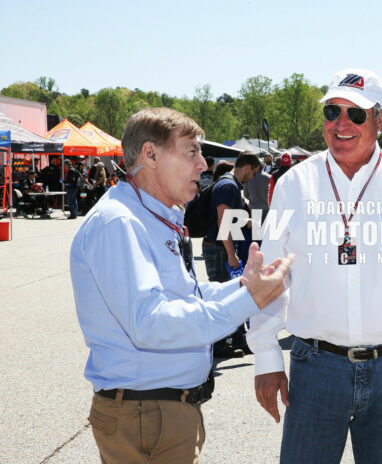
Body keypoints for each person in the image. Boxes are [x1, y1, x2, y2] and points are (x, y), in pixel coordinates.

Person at [249, 68, 382, 464]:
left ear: (380, 119)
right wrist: (266, 357)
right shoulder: (293, 184)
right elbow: (271, 278)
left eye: (356, 114)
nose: (342, 124)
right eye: (332, 111)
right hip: (315, 368)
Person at [70, 107, 292, 464]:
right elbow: (150, 323)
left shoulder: (149, 216)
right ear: (151, 155)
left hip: (159, 411)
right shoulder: (120, 223)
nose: (202, 164)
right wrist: (248, 300)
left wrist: (245, 288)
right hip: (146, 413)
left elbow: (183, 298)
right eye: (191, 151)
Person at [204, 154, 262, 357]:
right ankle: (219, 345)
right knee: (223, 298)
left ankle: (239, 339)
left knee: (235, 295)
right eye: (253, 172)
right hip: (220, 248)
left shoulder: (231, 185)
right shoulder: (228, 186)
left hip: (223, 246)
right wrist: (231, 254)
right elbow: (224, 222)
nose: (253, 177)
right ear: (247, 167)